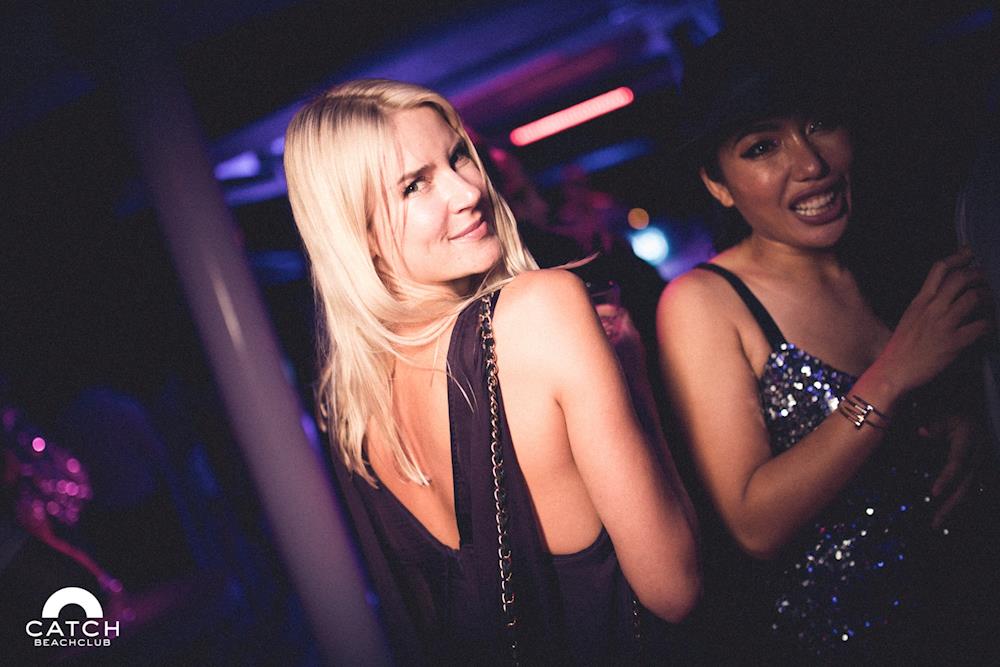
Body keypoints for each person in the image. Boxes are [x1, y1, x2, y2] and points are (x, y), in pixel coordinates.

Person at [282, 79, 699, 664]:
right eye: (414, 185)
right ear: (361, 234)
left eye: (457, 157)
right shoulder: (541, 308)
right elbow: (676, 590)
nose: (468, 190)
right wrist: (634, 380)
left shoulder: (354, 408)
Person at [656, 31, 995, 662]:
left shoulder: (888, 254)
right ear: (718, 183)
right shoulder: (703, 301)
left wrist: (963, 426)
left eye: (819, 124)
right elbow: (754, 525)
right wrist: (892, 377)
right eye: (763, 147)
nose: (811, 164)